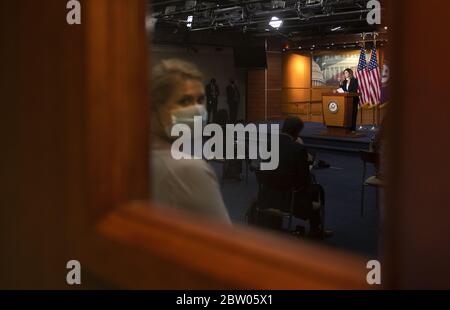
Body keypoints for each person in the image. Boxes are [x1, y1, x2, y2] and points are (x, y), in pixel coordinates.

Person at [150, 59, 231, 224]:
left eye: (200, 100)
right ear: (153, 108)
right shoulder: (190, 170)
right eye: (185, 101)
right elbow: (225, 243)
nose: (196, 110)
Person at [277, 117, 332, 238]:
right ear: (297, 133)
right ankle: (316, 229)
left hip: (269, 195)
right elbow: (304, 180)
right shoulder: (298, 149)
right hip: (291, 199)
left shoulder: (269, 144)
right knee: (317, 190)